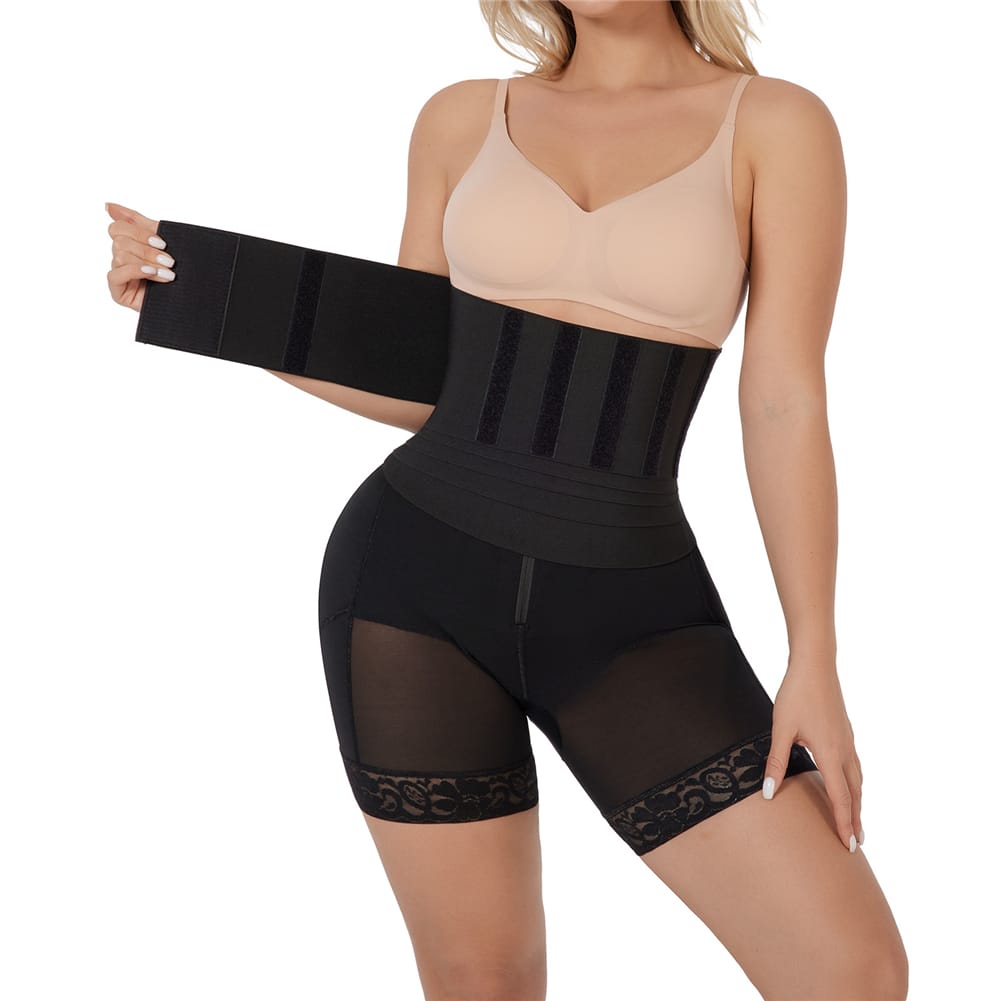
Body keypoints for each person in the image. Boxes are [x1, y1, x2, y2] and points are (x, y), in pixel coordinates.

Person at [105, 1, 908, 997]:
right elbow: (413, 376)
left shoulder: (776, 124)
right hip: (413, 586)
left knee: (849, 969)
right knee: (482, 980)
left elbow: (782, 396)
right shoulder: (460, 117)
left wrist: (811, 653)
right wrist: (191, 297)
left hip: (630, 608)